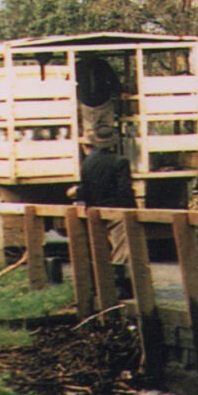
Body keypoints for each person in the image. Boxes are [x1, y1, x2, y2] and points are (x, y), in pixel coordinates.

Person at [72, 123, 136, 296]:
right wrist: (132, 211)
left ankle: (98, 286)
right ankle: (120, 286)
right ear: (113, 143)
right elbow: (124, 190)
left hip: (94, 211)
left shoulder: (87, 163)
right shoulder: (120, 161)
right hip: (115, 210)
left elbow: (85, 189)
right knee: (121, 249)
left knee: (100, 248)